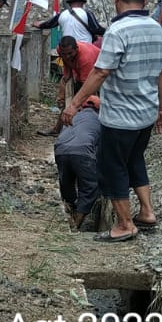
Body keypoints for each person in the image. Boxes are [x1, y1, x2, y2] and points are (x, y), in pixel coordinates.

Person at [61, 0, 162, 242]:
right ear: (145, 0)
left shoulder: (117, 32)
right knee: (134, 160)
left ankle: (124, 224)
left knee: (112, 168)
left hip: (120, 117)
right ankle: (147, 212)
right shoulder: (158, 29)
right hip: (146, 115)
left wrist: (74, 104)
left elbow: (100, 72)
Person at [55, 95, 102, 231]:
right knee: (89, 186)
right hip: (83, 151)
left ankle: (69, 209)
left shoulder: (71, 117)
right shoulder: (100, 120)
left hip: (60, 150)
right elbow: (100, 150)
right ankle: (77, 222)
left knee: (66, 183)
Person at [38, 36, 100, 136]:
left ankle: (92, 131)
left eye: (70, 53)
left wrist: (76, 103)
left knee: (91, 103)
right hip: (80, 73)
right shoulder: (60, 50)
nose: (67, 56)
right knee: (69, 103)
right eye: (64, 54)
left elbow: (88, 89)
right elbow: (66, 63)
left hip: (97, 76)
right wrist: (67, 77)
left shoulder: (85, 58)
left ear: (76, 49)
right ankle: (57, 130)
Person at [35, 0, 106, 46]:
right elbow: (97, 29)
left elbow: (49, 24)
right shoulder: (87, 13)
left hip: (67, 49)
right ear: (82, 3)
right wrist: (108, 31)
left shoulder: (62, 14)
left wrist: (38, 25)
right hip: (85, 47)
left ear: (70, 4)